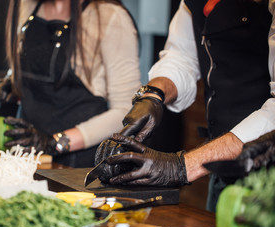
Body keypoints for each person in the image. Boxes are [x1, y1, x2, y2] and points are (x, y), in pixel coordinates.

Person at [100, 0, 275, 212]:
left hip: (268, 178)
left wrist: (181, 166)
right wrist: (153, 95)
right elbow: (181, 57)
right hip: (222, 171)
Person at [0, 0, 141, 167]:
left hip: (78, 166)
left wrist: (53, 143)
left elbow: (126, 111)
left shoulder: (111, 17)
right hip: (26, 158)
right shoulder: (27, 5)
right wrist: (13, 81)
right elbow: (35, 58)